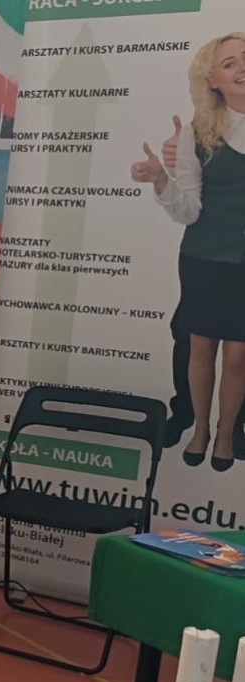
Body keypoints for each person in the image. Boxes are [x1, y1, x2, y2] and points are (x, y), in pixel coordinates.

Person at [131, 33, 245, 468]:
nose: (241, 68)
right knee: (199, 349)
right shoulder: (196, 134)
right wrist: (162, 179)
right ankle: (198, 428)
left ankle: (226, 434)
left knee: (238, 357)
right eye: (229, 64)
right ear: (212, 80)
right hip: (204, 259)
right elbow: (189, 210)